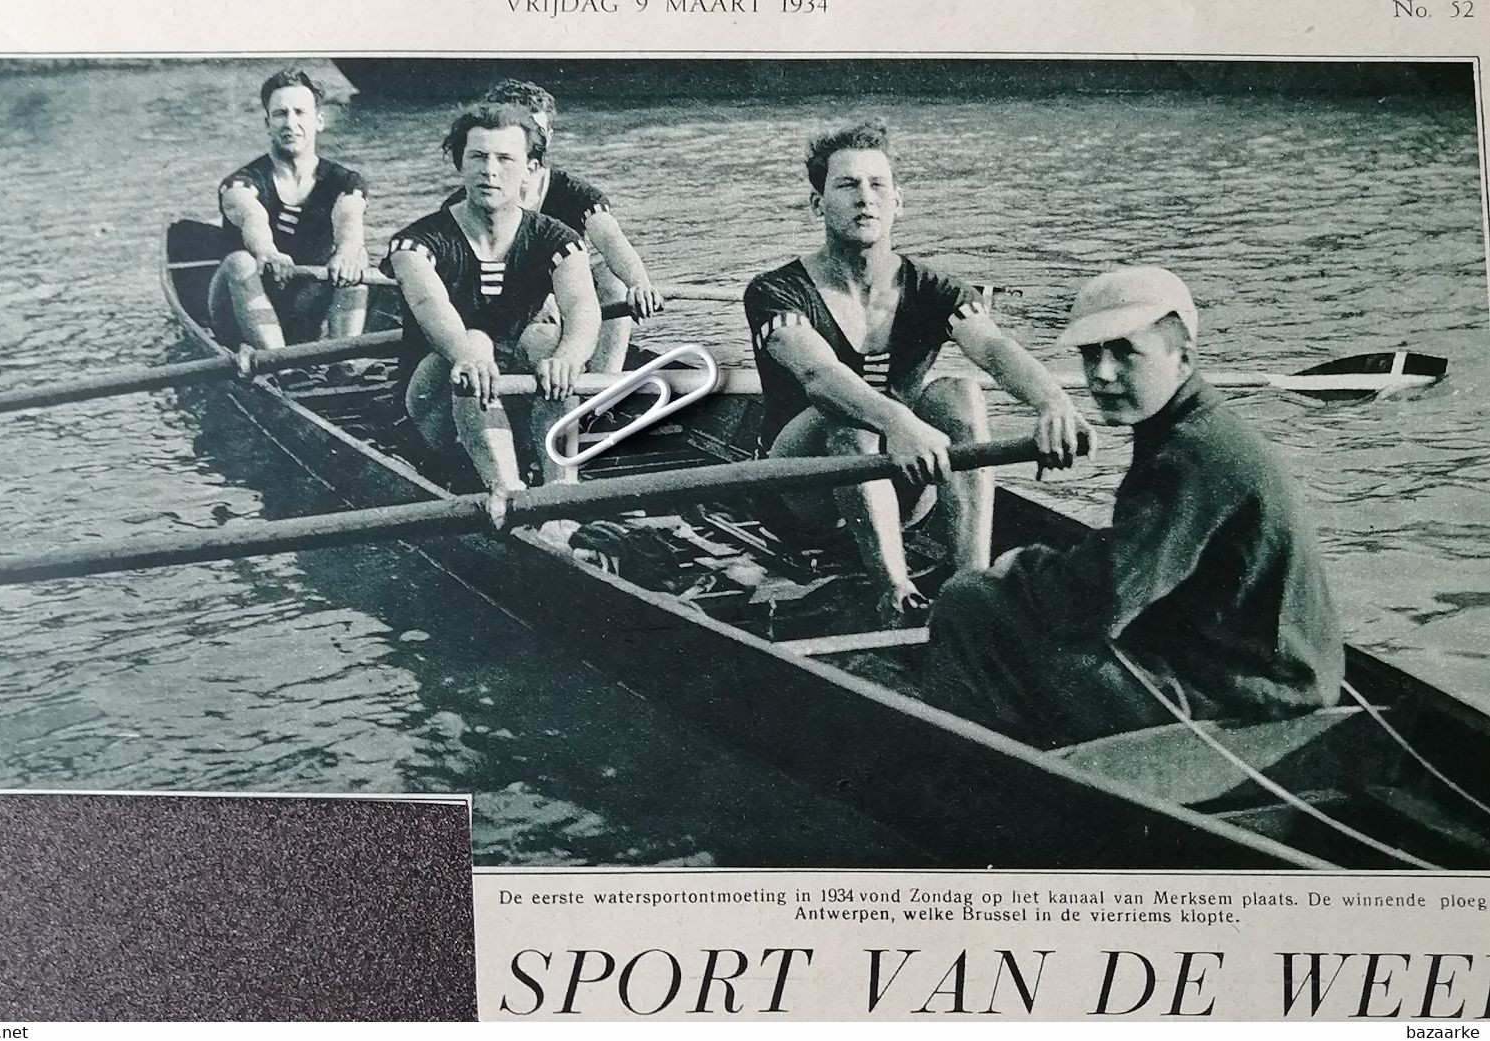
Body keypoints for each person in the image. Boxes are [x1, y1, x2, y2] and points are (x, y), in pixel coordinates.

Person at [921, 266, 1344, 749]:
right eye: (1090, 354)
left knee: (969, 600)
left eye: (1125, 353)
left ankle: (974, 767)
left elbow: (1104, 597)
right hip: (1274, 679)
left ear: (1182, 357)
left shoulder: (1189, 455)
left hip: (1245, 698)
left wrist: (1019, 568)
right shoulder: (1199, 428)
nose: (1101, 373)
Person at [744, 119, 1090, 622]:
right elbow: (820, 377)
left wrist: (1053, 403)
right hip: (799, 497)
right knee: (848, 418)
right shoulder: (774, 292)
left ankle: (969, 581)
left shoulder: (935, 289)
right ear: (818, 204)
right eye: (846, 185)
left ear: (898, 202)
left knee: (960, 393)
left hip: (904, 485)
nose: (865, 198)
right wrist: (899, 422)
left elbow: (993, 348)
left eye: (877, 185)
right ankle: (895, 591)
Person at [382, 102, 600, 501]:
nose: (490, 170)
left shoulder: (559, 239)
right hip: (439, 405)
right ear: (458, 165)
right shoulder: (415, 244)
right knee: (476, 343)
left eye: (505, 158)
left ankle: (561, 495)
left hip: (522, 400)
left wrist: (569, 357)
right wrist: (467, 354)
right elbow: (432, 306)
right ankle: (509, 492)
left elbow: (584, 308)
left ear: (530, 170)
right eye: (478, 157)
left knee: (551, 344)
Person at [442, 79, 661, 373]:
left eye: (540, 131)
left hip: (567, 301)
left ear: (550, 135)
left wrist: (640, 283)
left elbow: (609, 238)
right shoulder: (469, 202)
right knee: (542, 340)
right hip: (496, 316)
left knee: (613, 281)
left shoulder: (577, 193)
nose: (535, 142)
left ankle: (602, 392)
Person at [210, 68, 370, 354]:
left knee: (357, 255)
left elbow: (349, 218)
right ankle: (281, 366)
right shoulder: (239, 183)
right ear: (267, 123)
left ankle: (345, 361)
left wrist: (347, 251)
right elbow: (252, 216)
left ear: (319, 121)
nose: (290, 123)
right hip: (238, 309)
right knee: (240, 262)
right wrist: (267, 252)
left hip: (304, 305)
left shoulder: (346, 183)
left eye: (300, 112)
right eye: (281, 114)